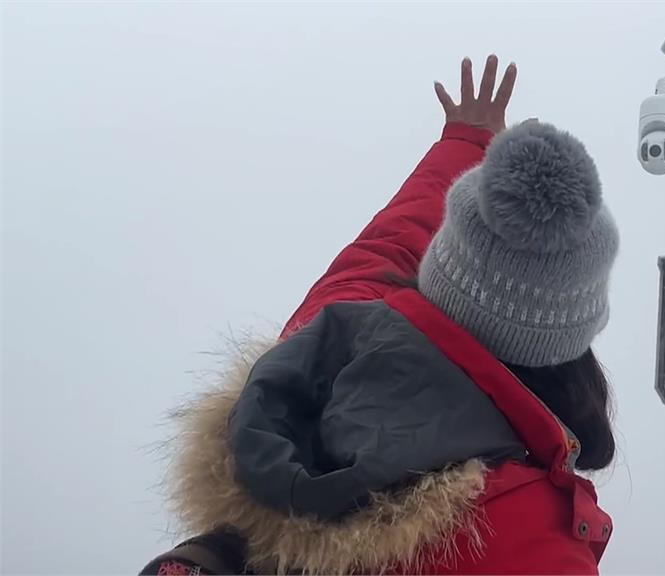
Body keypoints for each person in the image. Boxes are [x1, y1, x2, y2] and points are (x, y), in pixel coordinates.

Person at [148, 55, 620, 575]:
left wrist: (465, 142)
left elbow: (390, 242)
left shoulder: (326, 339)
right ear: (568, 337)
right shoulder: (534, 543)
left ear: (444, 259)